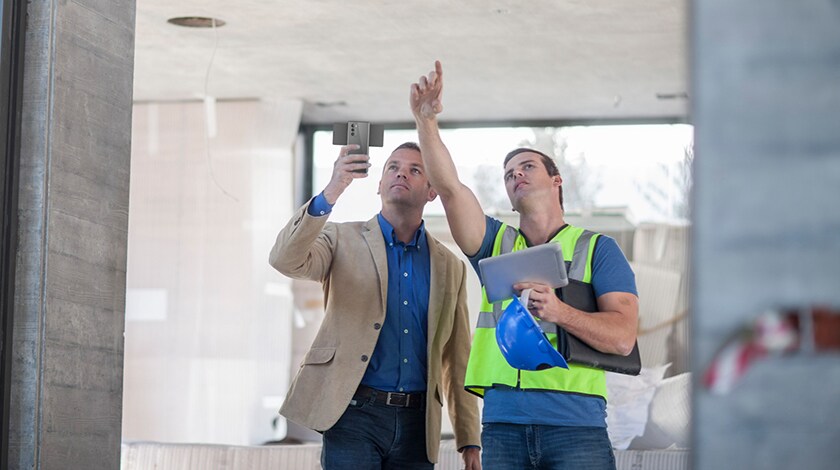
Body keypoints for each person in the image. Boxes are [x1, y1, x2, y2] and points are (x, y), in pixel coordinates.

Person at [409, 61, 639, 470]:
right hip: (502, 426)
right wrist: (426, 122)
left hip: (576, 428)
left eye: (527, 167)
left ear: (557, 180)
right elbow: (448, 188)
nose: (516, 175)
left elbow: (622, 339)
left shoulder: (599, 250)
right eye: (508, 174)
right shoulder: (493, 243)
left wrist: (559, 311)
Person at [269, 142, 481, 470]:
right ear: (380, 185)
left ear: (431, 191)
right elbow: (285, 260)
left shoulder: (450, 265)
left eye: (415, 170)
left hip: (418, 423)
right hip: (353, 413)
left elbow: (457, 357)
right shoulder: (340, 239)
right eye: (393, 167)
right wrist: (333, 189)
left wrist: (469, 439)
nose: (401, 173)